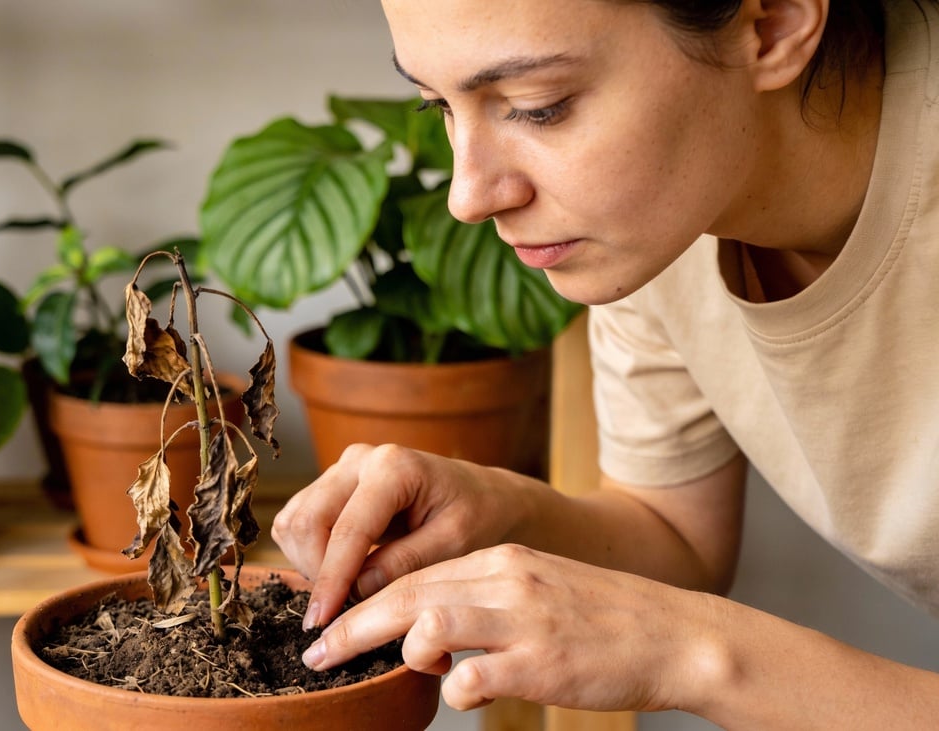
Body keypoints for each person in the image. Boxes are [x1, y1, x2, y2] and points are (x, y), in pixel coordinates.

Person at [269, 0, 939, 727]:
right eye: (439, 106)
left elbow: (682, 627)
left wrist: (695, 652)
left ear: (773, 21)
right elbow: (676, 534)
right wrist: (497, 509)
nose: (468, 196)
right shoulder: (660, 216)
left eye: (539, 107)